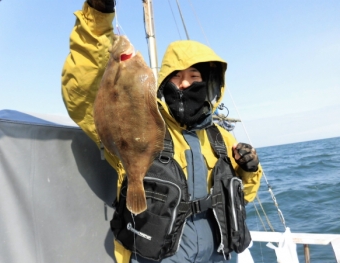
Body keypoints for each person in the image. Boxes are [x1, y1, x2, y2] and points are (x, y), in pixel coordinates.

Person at [61, 1, 263, 262]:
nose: (185, 83)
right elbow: (82, 92)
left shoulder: (220, 137)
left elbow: (243, 195)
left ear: (209, 83)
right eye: (177, 77)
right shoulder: (145, 118)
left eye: (194, 76)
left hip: (217, 254)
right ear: (165, 81)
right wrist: (98, 16)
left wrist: (250, 170)